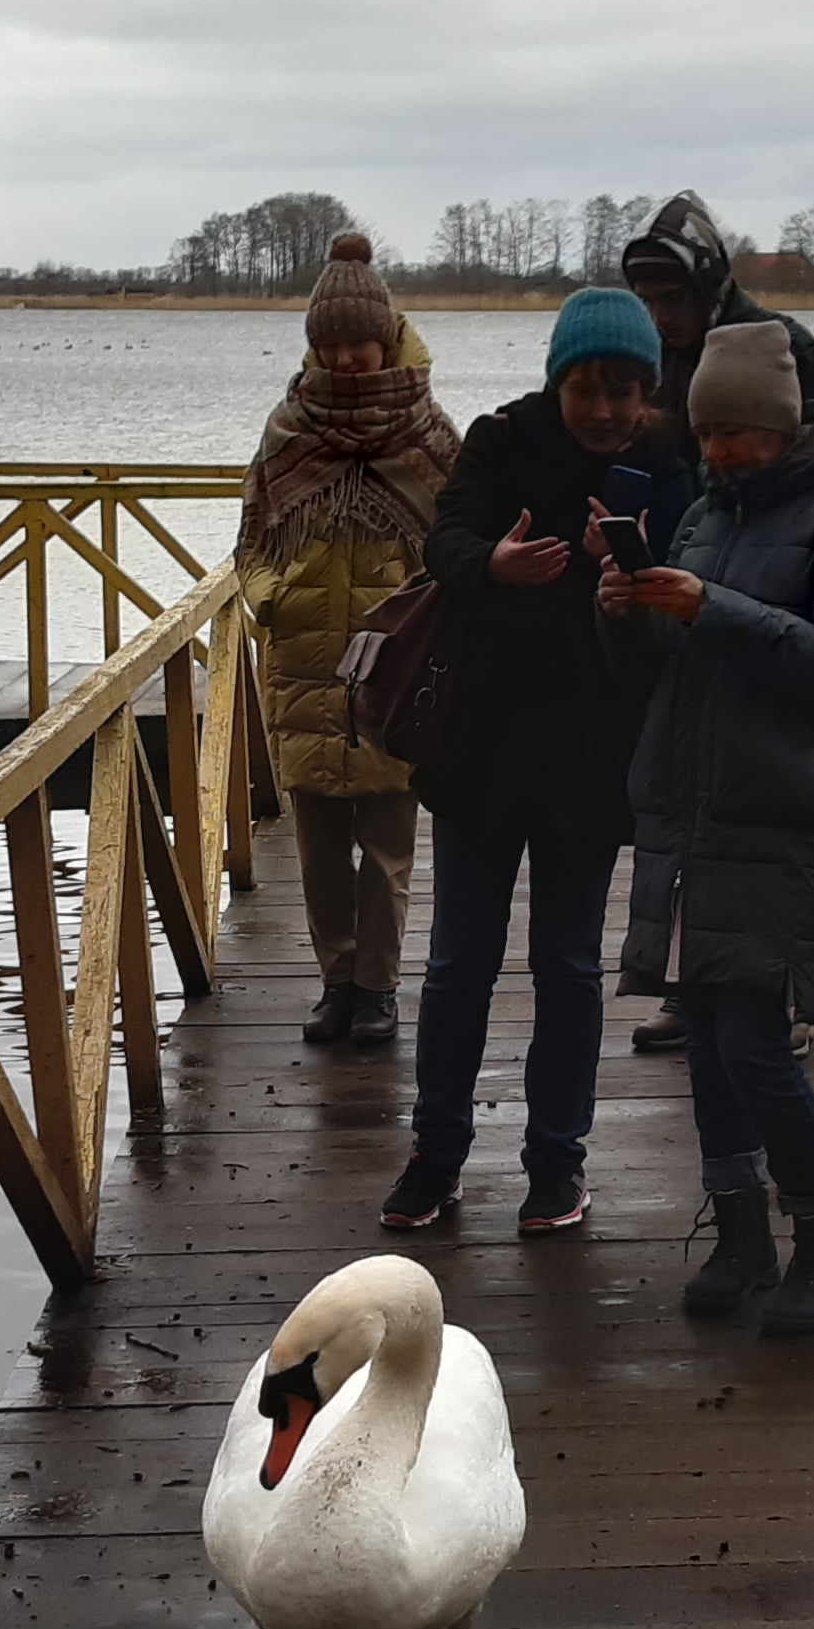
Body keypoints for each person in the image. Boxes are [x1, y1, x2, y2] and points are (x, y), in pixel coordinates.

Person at [598, 315, 814, 1335]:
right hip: (697, 809)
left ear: (782, 426)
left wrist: (710, 609)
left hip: (788, 811)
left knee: (756, 1043)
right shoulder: (706, 518)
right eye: (708, 434)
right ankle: (741, 1237)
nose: (720, 451)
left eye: (737, 433)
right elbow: (672, 672)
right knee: (713, 1041)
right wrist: (633, 611)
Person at [379, 287, 669, 1237]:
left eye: (625, 390)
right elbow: (444, 537)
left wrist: (636, 580)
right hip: (483, 751)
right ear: (560, 381)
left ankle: (556, 1164)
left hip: (591, 759)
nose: (606, 410)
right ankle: (436, 1156)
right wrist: (492, 567)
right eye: (589, 387)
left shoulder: (669, 464)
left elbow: (694, 589)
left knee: (568, 968)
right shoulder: (502, 441)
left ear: (648, 392)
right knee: (459, 965)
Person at [613, 191, 814, 1048]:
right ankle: (688, 989)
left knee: (773, 818)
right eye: (651, 302)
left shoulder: (782, 347)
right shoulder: (652, 360)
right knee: (687, 810)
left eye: (674, 300)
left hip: (768, 603)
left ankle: (782, 1005)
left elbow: (808, 472)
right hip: (676, 597)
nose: (663, 317)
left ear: (710, 286)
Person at [237, 232, 457, 1046]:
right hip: (303, 660)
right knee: (320, 847)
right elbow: (252, 539)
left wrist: (424, 624)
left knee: (389, 846)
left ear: (388, 336)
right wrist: (272, 600)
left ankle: (379, 988)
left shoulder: (432, 435)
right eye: (330, 345)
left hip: (396, 671)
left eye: (358, 342)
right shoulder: (287, 429)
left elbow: (460, 550)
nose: (347, 358)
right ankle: (337, 982)